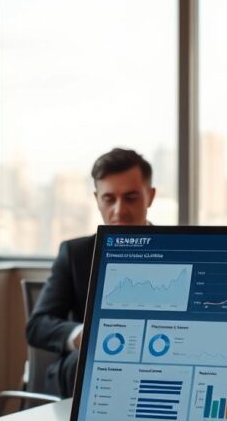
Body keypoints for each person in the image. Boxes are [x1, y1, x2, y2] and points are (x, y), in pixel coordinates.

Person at [25, 148, 157, 397]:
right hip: (85, 368)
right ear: (97, 199)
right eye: (109, 199)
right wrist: (81, 335)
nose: (119, 210)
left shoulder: (178, 251)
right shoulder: (75, 254)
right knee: (90, 362)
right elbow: (37, 325)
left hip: (156, 359)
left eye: (130, 198)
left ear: (149, 196)